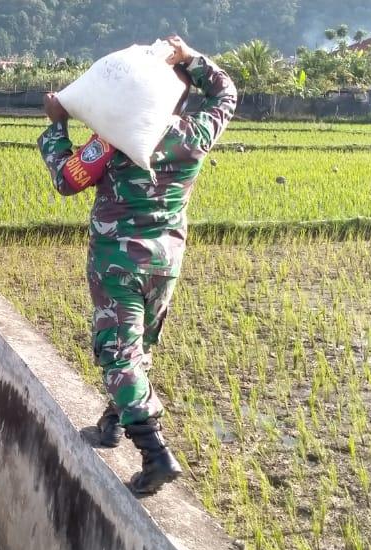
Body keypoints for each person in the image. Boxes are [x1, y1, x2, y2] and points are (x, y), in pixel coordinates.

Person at [37, 36, 238, 496]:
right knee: (139, 346)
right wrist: (192, 57)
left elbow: (67, 179)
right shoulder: (195, 134)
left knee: (118, 352)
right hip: (165, 262)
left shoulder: (113, 140)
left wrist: (57, 126)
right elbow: (226, 93)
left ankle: (154, 452)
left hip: (117, 263)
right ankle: (111, 422)